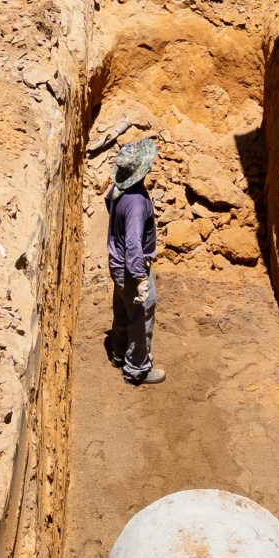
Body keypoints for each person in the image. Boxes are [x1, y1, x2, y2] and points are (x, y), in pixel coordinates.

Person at [103, 138, 165, 386]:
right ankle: (137, 369)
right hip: (130, 268)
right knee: (142, 313)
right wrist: (140, 278)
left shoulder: (118, 190)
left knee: (121, 307)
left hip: (116, 264)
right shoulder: (138, 203)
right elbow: (133, 244)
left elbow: (109, 205)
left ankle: (119, 352)